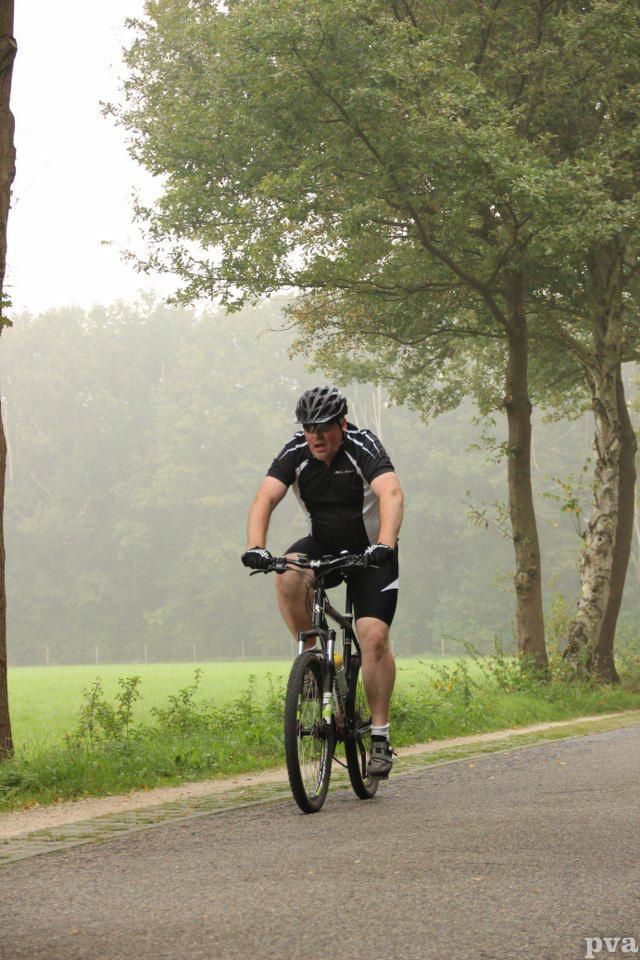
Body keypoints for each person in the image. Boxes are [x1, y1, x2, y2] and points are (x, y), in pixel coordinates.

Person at [241, 385, 404, 778]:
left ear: (341, 424)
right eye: (309, 427)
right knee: (286, 573)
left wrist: (385, 543)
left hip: (370, 552)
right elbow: (264, 498)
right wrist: (256, 547)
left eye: (324, 428)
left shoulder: (362, 445)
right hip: (325, 545)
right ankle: (312, 663)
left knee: (372, 636)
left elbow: (392, 494)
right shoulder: (296, 451)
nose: (315, 436)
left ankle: (379, 737)